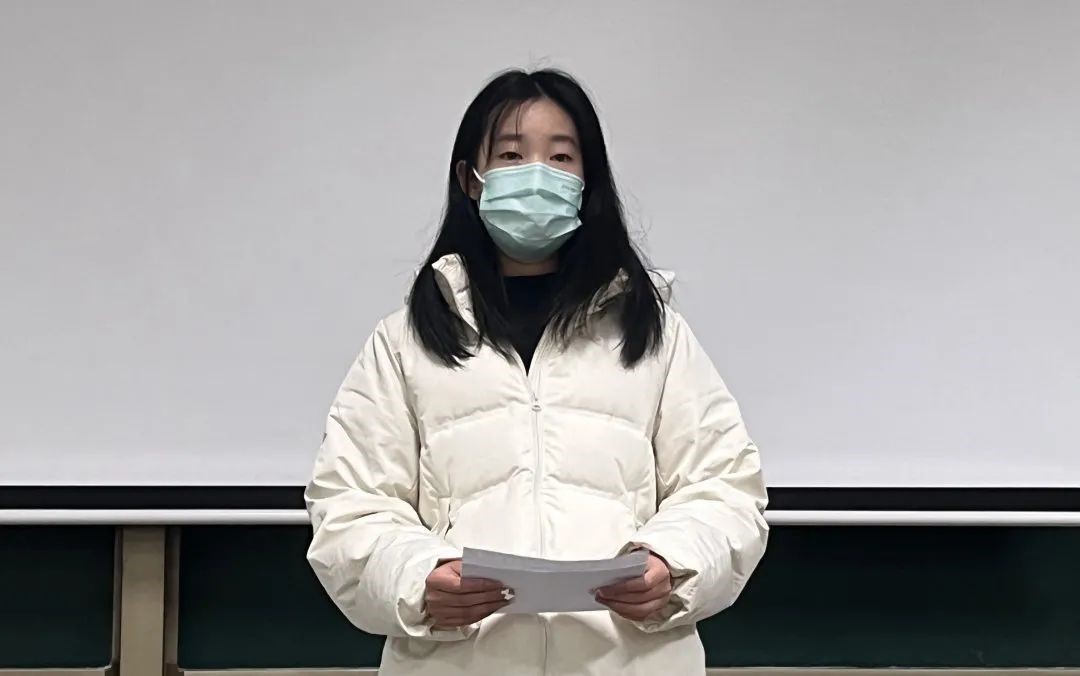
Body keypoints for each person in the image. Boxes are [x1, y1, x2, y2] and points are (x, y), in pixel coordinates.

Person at [305, 68, 769, 676]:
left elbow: (726, 489)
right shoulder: (403, 342)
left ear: (586, 182)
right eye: (510, 155)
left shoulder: (655, 333)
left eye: (560, 157)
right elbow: (349, 506)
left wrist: (672, 564)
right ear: (471, 180)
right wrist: (418, 578)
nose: (536, 175)